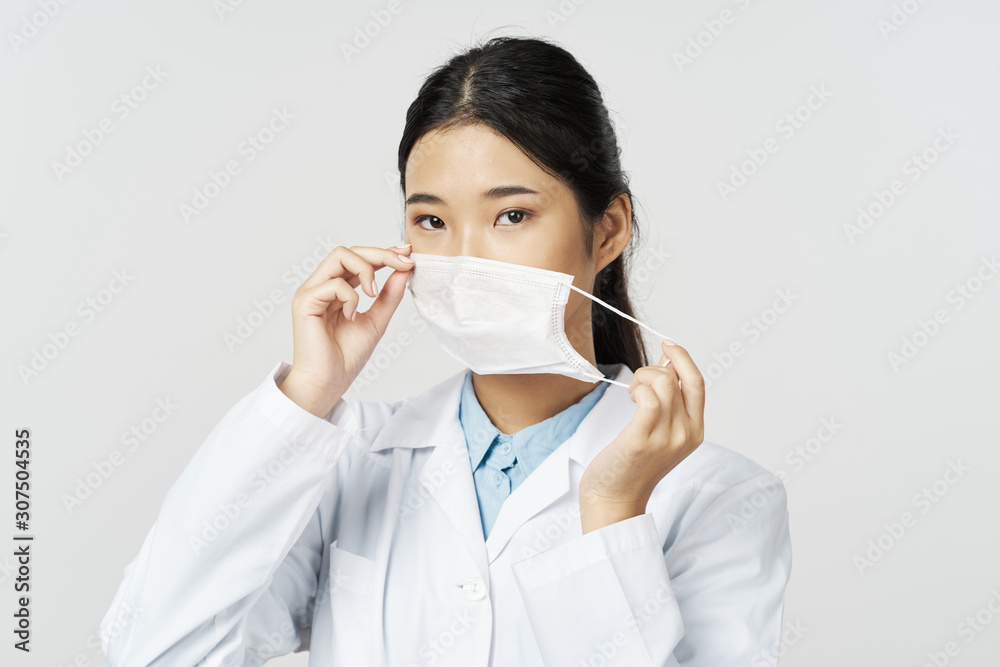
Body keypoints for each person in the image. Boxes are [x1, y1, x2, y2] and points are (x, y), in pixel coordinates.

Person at [100, 35, 791, 667]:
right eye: (431, 220)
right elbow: (152, 648)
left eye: (512, 215)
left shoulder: (719, 496)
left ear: (606, 230)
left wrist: (611, 514)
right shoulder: (354, 458)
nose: (463, 256)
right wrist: (307, 394)